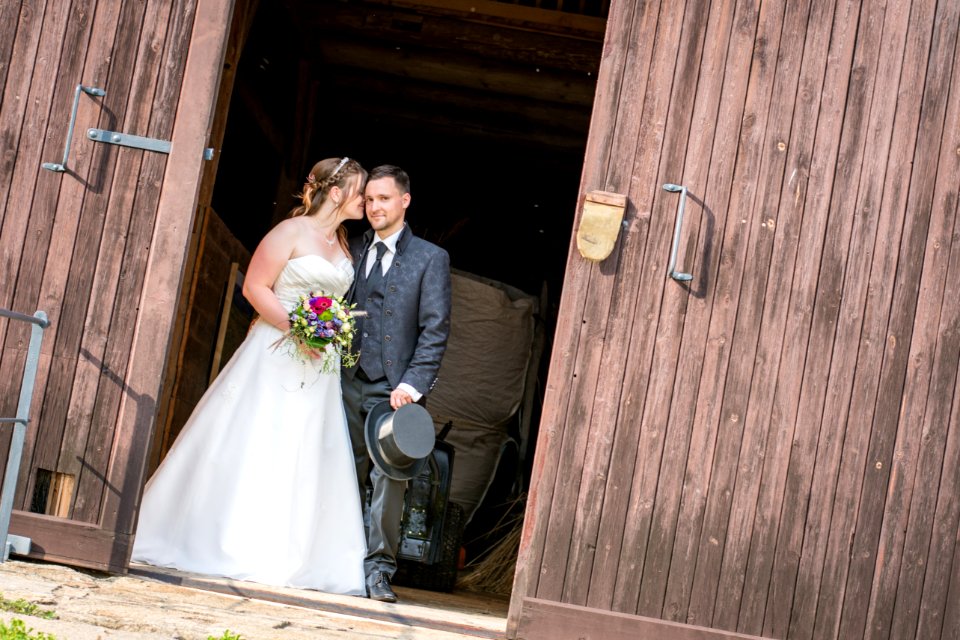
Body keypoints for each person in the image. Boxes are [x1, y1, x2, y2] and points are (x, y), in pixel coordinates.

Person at [132, 157, 369, 596]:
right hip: (277, 353)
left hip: (320, 366)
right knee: (261, 439)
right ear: (336, 193)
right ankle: (233, 543)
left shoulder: (341, 241)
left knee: (308, 449)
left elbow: (333, 301)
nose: (364, 199)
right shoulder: (289, 232)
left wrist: (326, 334)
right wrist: (297, 330)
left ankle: (296, 553)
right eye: (359, 191)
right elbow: (255, 287)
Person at [342, 164, 452, 602]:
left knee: (390, 478)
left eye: (383, 199)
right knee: (342, 470)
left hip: (396, 389)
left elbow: (435, 329)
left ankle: (378, 571)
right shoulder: (349, 248)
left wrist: (412, 385)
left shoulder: (430, 258)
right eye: (369, 200)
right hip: (343, 381)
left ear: (405, 201)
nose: (374, 207)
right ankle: (339, 557)